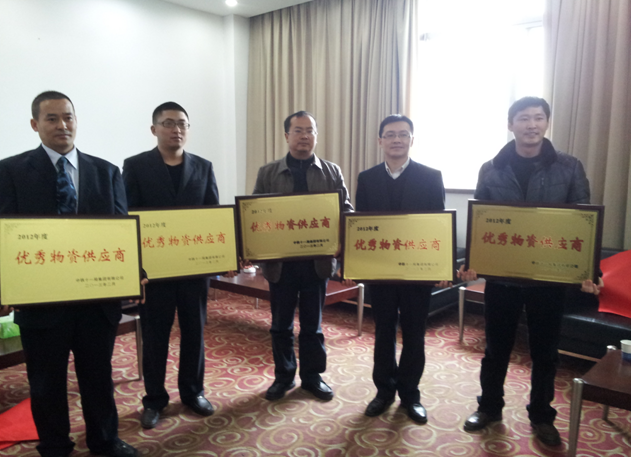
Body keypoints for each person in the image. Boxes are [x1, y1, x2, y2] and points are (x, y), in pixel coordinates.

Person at [0, 91, 138, 457]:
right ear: (35, 124)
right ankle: (54, 445)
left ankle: (105, 440)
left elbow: (120, 232)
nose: (62, 125)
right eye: (52, 118)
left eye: (68, 117)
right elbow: (3, 236)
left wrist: (133, 273)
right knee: (46, 381)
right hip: (41, 301)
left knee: (98, 376)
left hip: (96, 298)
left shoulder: (106, 172)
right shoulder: (9, 172)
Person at [459, 96, 601, 446]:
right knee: (495, 349)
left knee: (545, 352)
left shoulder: (569, 167)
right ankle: (489, 407)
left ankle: (541, 415)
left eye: (538, 117)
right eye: (524, 118)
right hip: (503, 279)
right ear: (511, 124)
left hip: (548, 280)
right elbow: (482, 220)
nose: (531, 125)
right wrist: (473, 262)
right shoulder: (491, 168)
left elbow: (583, 223)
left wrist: (589, 271)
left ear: (547, 123)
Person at [123, 102, 221, 428]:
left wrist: (220, 257)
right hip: (155, 272)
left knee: (194, 332)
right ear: (154, 129)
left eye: (182, 123)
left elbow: (213, 216)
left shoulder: (203, 167)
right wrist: (136, 268)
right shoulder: (135, 166)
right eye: (168, 123)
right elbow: (127, 219)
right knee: (155, 336)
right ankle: (154, 399)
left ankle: (193, 392)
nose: (176, 129)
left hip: (193, 270)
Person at [351, 114, 447, 424]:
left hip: (417, 272)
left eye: (403, 134)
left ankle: (410, 395)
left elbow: (438, 226)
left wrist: (440, 267)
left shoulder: (431, 177)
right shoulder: (367, 178)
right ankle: (383, 392)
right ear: (380, 140)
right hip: (381, 272)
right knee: (383, 332)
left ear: (412, 140)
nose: (396, 140)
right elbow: (361, 225)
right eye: (390, 134)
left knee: (415, 334)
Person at [253, 111, 353, 401]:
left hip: (316, 264)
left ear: (316, 136)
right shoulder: (268, 173)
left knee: (313, 326)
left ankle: (312, 377)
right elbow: (255, 215)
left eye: (310, 130)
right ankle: (283, 377)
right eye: (298, 130)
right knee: (280, 325)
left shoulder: (331, 172)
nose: (304, 136)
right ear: (287, 136)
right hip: (280, 265)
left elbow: (346, 212)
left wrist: (342, 242)